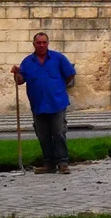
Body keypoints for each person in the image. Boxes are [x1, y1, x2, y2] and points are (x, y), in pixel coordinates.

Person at [11, 32, 76, 174]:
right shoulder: (27, 62)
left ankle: (63, 162)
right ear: (33, 44)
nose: (41, 45)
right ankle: (49, 163)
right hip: (38, 103)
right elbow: (20, 81)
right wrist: (16, 74)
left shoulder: (58, 58)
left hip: (57, 102)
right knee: (43, 135)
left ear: (48, 43)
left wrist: (59, 87)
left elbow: (70, 73)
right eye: (38, 43)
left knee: (59, 133)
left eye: (44, 42)